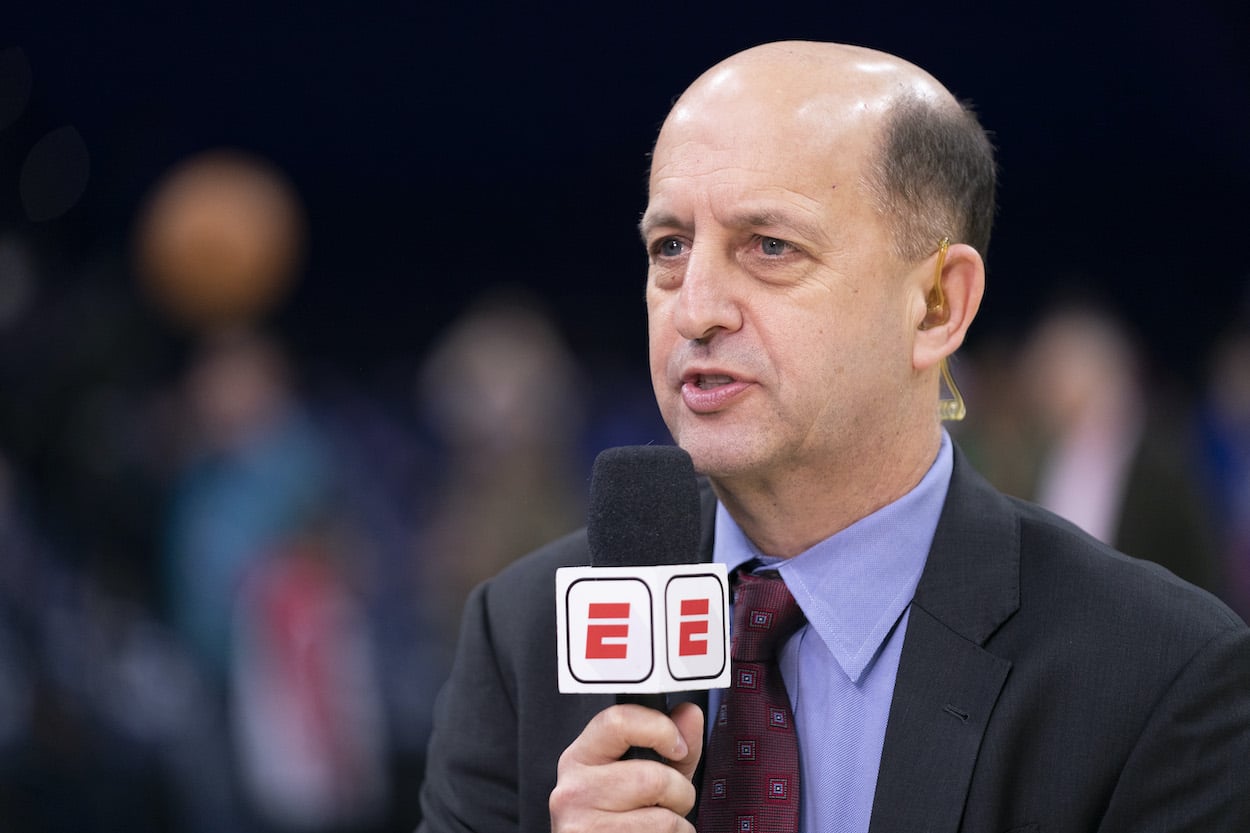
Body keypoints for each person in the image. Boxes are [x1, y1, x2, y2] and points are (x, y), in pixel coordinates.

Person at [417, 41, 1250, 833]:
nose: (695, 306)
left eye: (770, 247)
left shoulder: (1160, 676)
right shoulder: (524, 635)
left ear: (936, 306)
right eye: (670, 246)